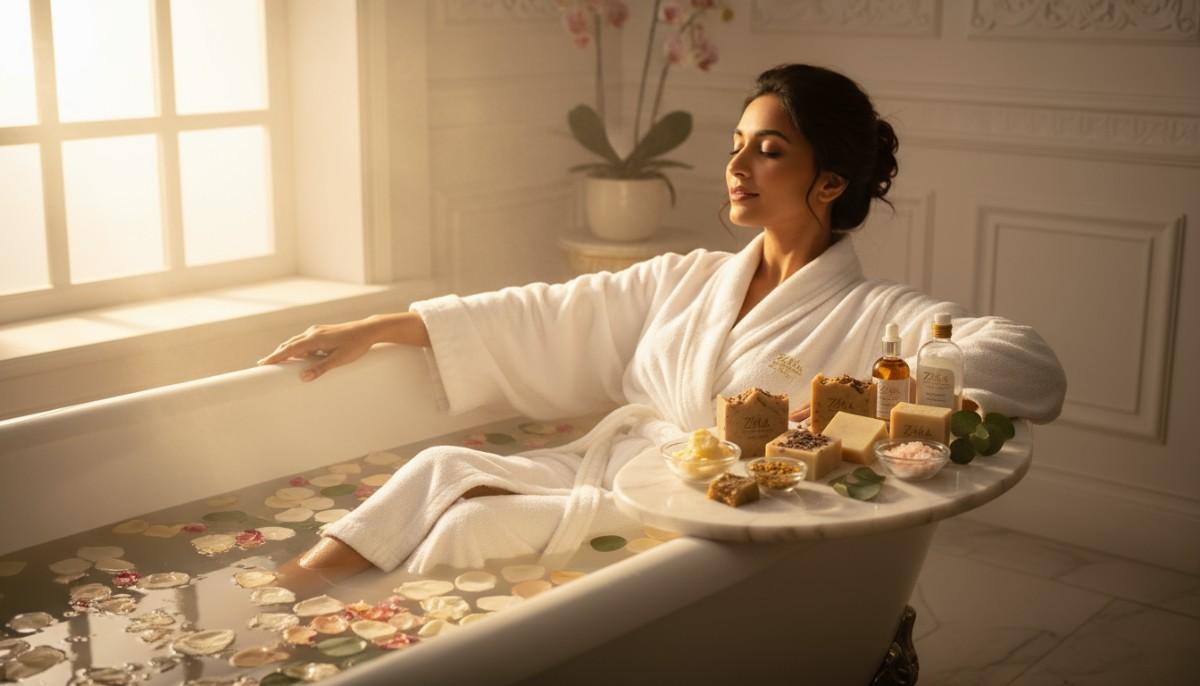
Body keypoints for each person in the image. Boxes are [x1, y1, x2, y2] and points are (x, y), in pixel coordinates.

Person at [258, 64, 1067, 590]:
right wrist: (379, 326)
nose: (738, 166)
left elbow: (1025, 363)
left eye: (769, 150)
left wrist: (851, 410)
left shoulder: (875, 315)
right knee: (440, 464)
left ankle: (395, 647)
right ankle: (290, 596)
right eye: (737, 145)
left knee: (473, 522)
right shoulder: (688, 279)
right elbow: (543, 311)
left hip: (706, 518)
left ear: (827, 182)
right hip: (617, 469)